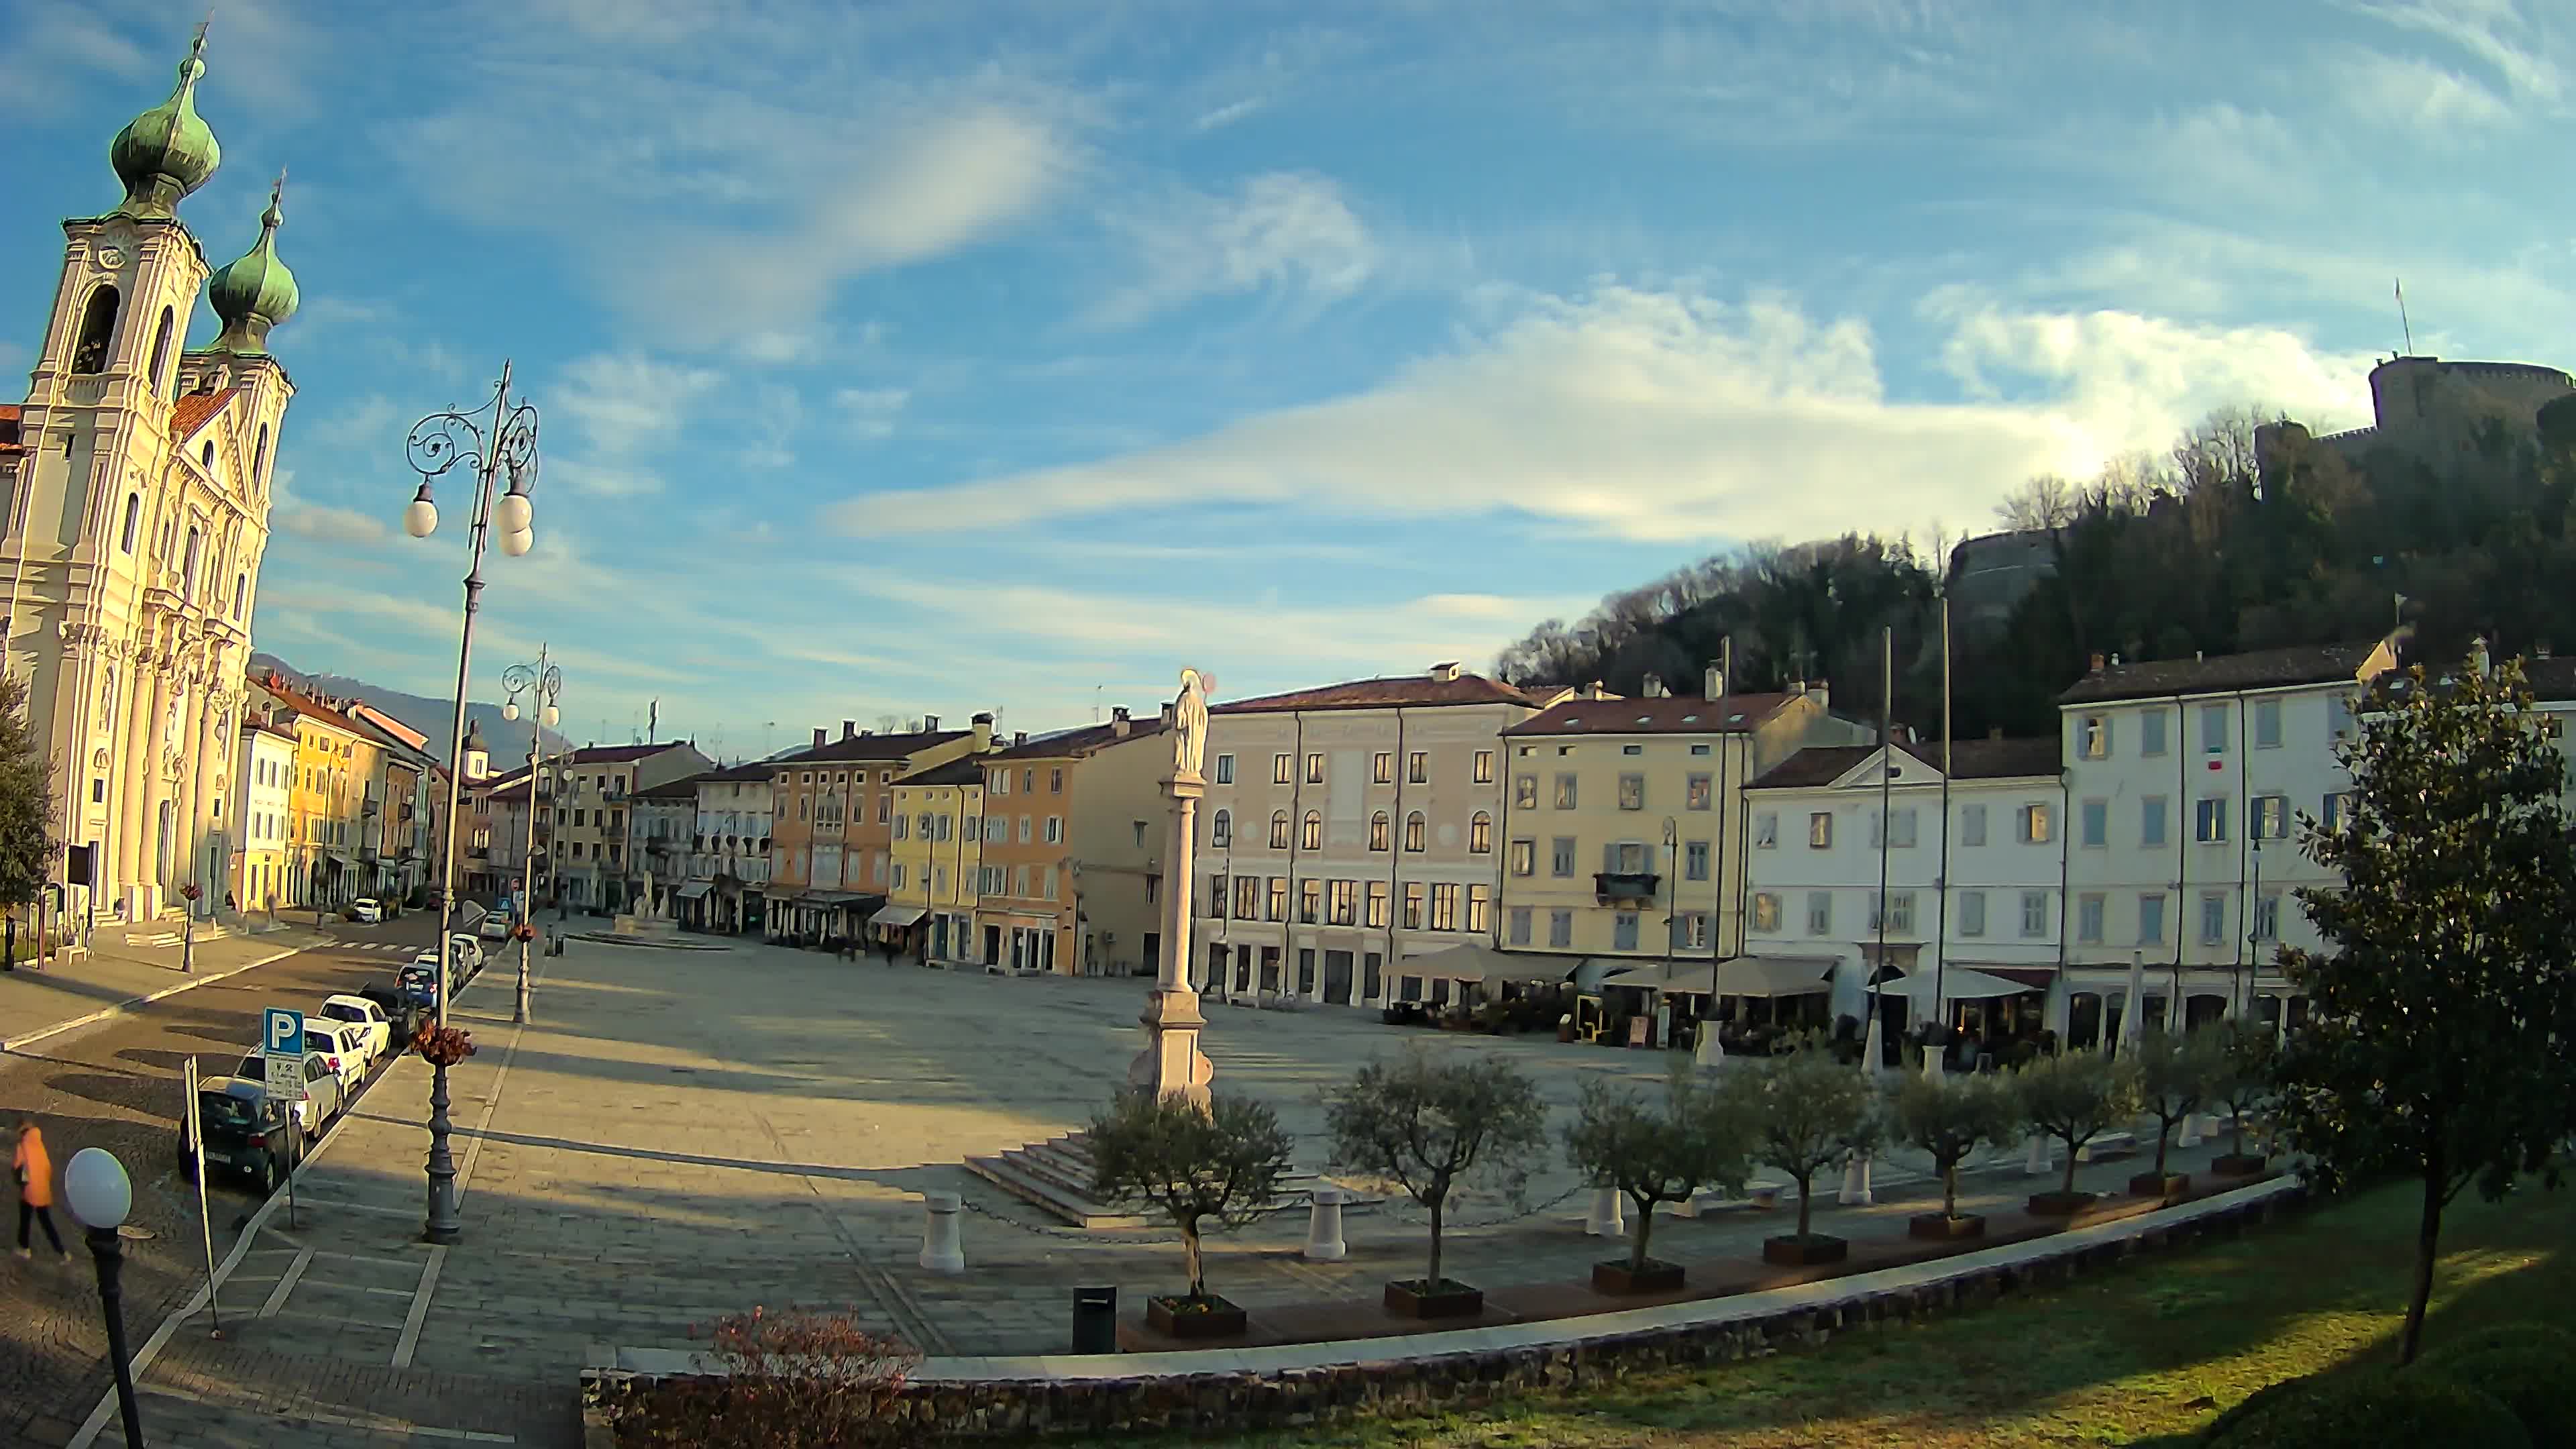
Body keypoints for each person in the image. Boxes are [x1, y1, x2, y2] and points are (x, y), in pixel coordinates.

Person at [13, 1118, 67, 1262]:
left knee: (25, 1220)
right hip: (43, 1191)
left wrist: (22, 1188)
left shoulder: (22, 1146)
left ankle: (24, 1248)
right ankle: (62, 1252)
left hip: (30, 1192)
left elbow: (19, 1170)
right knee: (46, 1222)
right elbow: (48, 1169)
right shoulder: (39, 1144)